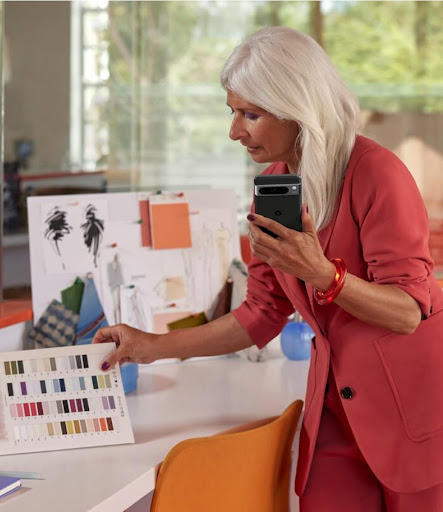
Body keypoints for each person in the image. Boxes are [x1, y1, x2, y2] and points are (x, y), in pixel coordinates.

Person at [92, 26, 443, 511]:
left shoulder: (377, 173)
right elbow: (261, 313)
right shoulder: (274, 186)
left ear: (297, 108)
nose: (235, 131)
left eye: (250, 114)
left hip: (410, 416)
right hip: (333, 414)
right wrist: (151, 347)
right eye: (233, 112)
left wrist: (325, 276)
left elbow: (408, 311)